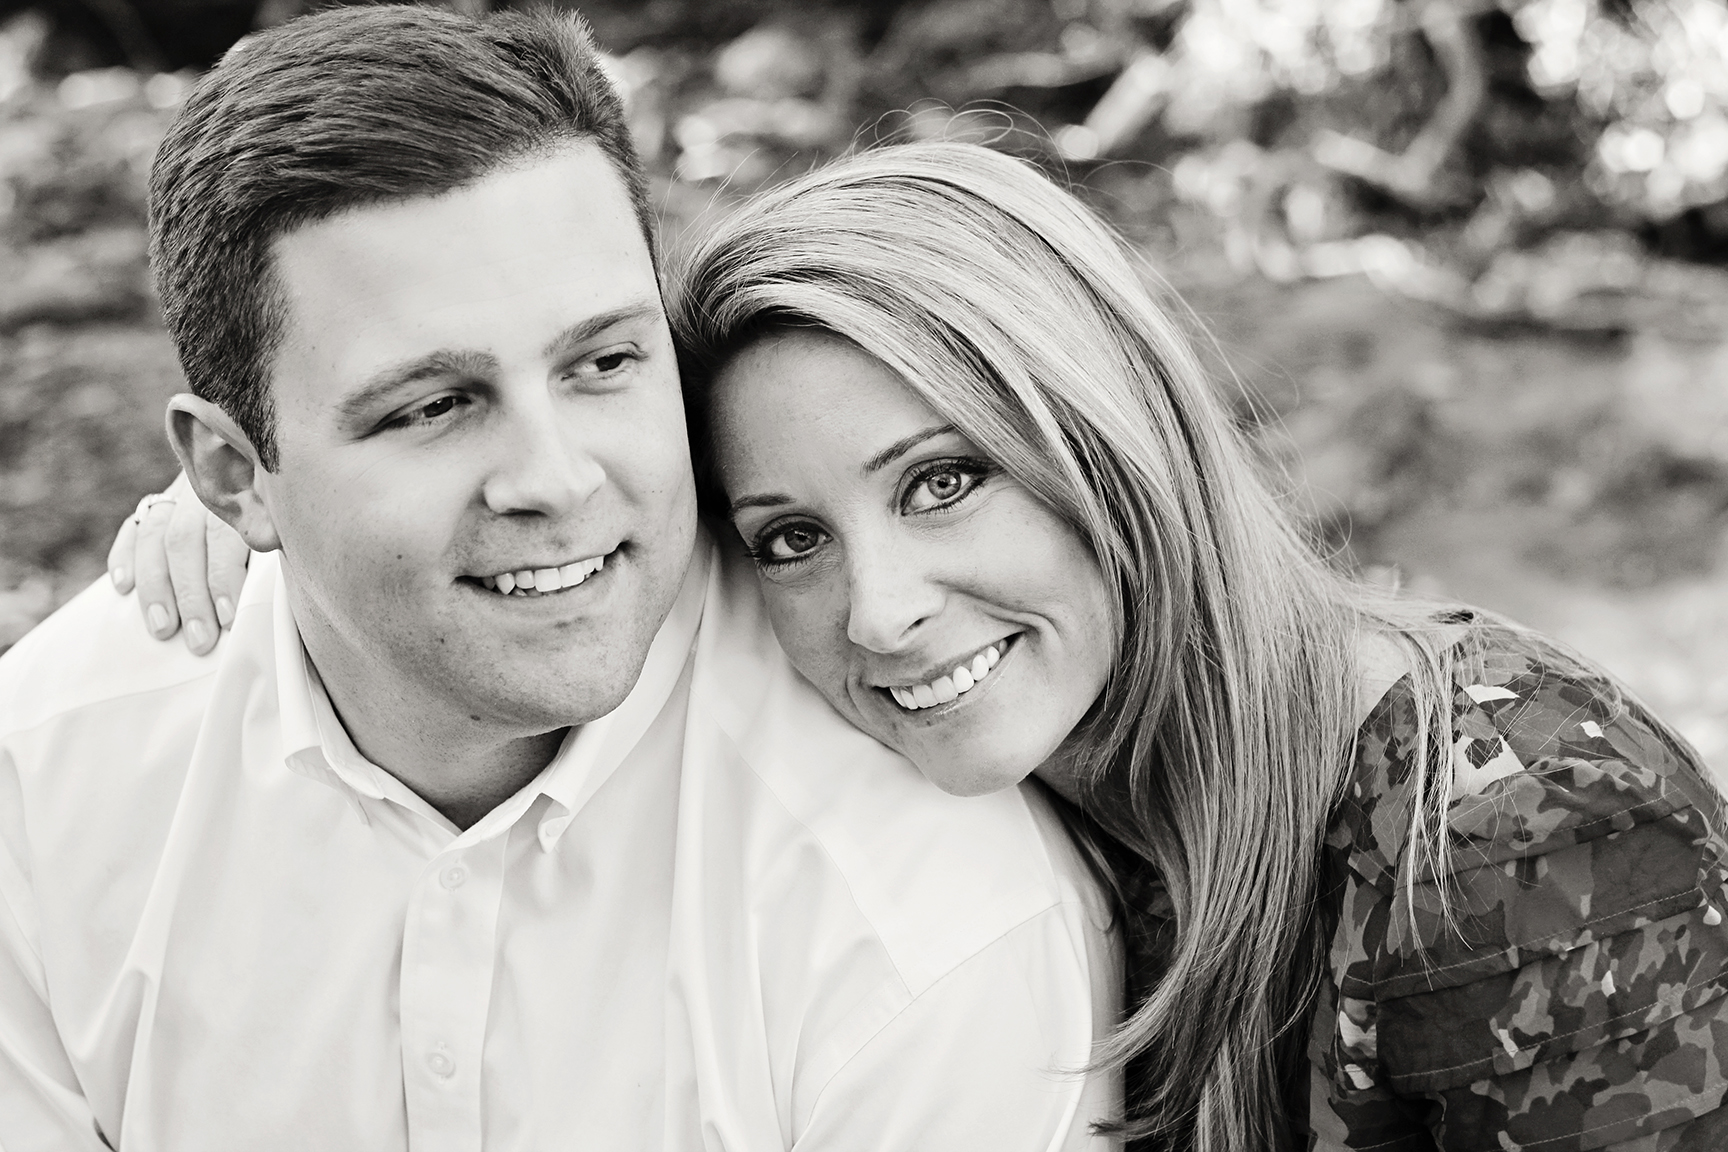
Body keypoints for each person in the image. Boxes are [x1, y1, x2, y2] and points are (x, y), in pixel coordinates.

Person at [133, 138, 1728, 1149]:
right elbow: (565, 552)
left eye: (944, 482)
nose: (879, 610)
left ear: (1112, 435)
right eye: (791, 538)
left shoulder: (1516, 835)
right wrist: (273, 524)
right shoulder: (1070, 752)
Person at [0, 10, 1121, 1150]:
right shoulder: (45, 783)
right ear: (234, 475)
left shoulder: (926, 916)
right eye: (434, 406)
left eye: (603, 361)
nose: (557, 479)